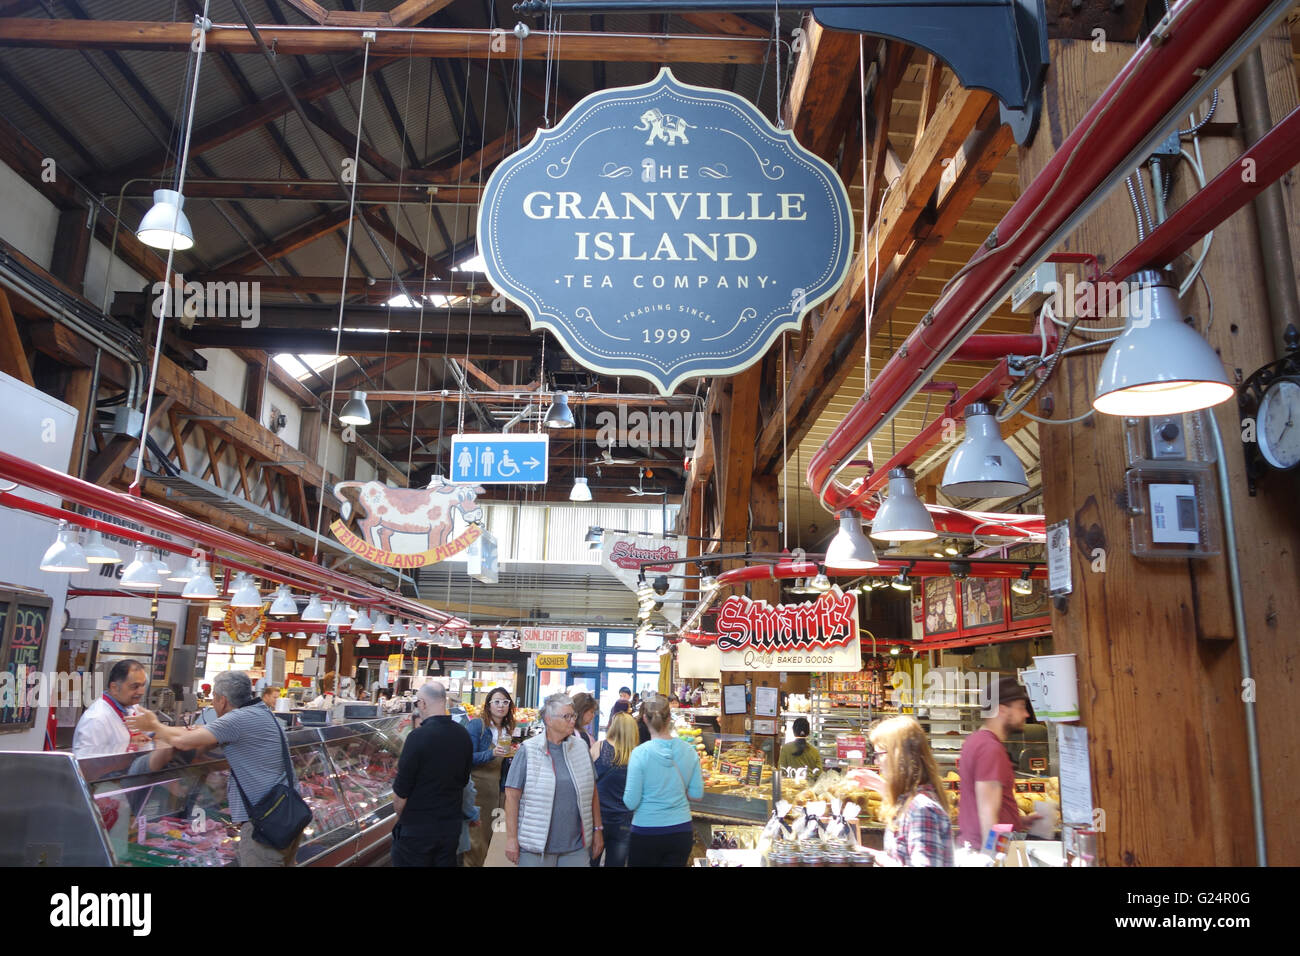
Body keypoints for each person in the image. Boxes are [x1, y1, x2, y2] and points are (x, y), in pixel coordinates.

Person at [128, 670, 301, 867]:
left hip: (265, 825)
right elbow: (198, 734)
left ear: (222, 700)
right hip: (284, 818)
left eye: (213, 698)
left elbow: (182, 742)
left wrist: (154, 725)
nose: (213, 704)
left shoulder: (237, 720)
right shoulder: (259, 712)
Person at [504, 693, 603, 867]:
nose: (572, 721)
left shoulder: (581, 748)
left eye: (573, 716)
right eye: (566, 716)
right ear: (548, 720)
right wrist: (511, 838)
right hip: (536, 849)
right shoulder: (528, 750)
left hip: (576, 847)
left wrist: (597, 829)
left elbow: (592, 791)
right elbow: (512, 797)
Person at [390, 682, 473, 867]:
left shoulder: (417, 737)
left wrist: (402, 819)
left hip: (417, 832)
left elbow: (401, 793)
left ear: (422, 703)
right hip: (450, 829)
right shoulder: (463, 735)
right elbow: (464, 780)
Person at [957, 679, 1040, 848]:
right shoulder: (990, 749)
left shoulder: (975, 740)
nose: (1026, 714)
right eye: (1021, 707)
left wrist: (1019, 821)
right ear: (1002, 710)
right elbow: (988, 815)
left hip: (975, 847)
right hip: (985, 850)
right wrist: (994, 856)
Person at [624, 694, 703, 867]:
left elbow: (631, 802)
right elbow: (697, 795)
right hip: (681, 829)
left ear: (645, 719)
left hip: (646, 830)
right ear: (669, 718)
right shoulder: (689, 750)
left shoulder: (639, 754)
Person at [865, 716, 954, 867]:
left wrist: (880, 858)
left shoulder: (921, 809)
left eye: (879, 755)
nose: (876, 762)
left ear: (897, 757)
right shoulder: (910, 803)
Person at [462, 686, 516, 867]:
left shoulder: (507, 729)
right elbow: (467, 757)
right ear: (488, 705)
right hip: (476, 789)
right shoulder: (478, 725)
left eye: (505, 702)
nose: (501, 706)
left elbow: (503, 764)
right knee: (475, 839)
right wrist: (491, 753)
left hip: (494, 791)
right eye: (497, 702)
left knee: (487, 836)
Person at [73, 659, 152, 758]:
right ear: (114, 688)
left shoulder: (133, 707)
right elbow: (86, 763)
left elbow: (154, 735)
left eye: (143, 685)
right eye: (135, 686)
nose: (141, 692)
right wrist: (127, 746)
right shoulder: (96, 719)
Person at [590, 712, 638, 867]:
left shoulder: (599, 747)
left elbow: (587, 780)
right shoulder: (636, 755)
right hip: (624, 820)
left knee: (591, 861)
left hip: (597, 817)